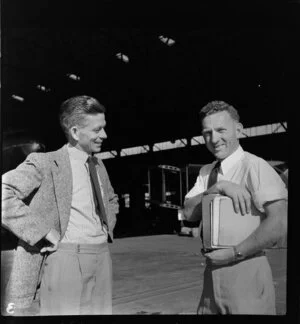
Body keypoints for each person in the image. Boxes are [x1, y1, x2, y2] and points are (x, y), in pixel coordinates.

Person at [2, 95, 119, 315]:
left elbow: (111, 199)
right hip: (66, 259)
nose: (104, 135)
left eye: (103, 128)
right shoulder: (44, 163)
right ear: (75, 132)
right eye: (97, 130)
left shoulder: (98, 165)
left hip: (103, 257)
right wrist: (44, 231)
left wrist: (106, 228)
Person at [183, 101, 287, 314]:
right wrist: (217, 187)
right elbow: (188, 213)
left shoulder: (255, 166)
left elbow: (279, 222)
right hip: (212, 275)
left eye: (221, 130)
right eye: (207, 133)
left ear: (239, 130)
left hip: (247, 268)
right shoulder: (206, 172)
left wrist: (234, 253)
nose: (214, 139)